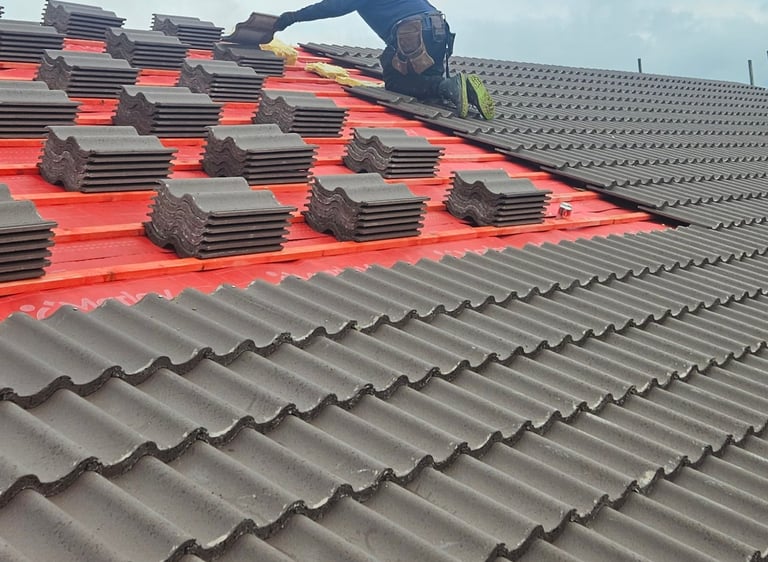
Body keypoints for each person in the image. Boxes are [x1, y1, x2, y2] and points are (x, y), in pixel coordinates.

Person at [273, 0, 495, 119]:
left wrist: (292, 17)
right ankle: (463, 91)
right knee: (425, 82)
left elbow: (334, 6)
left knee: (394, 81)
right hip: (438, 29)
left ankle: (450, 86)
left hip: (413, 32)